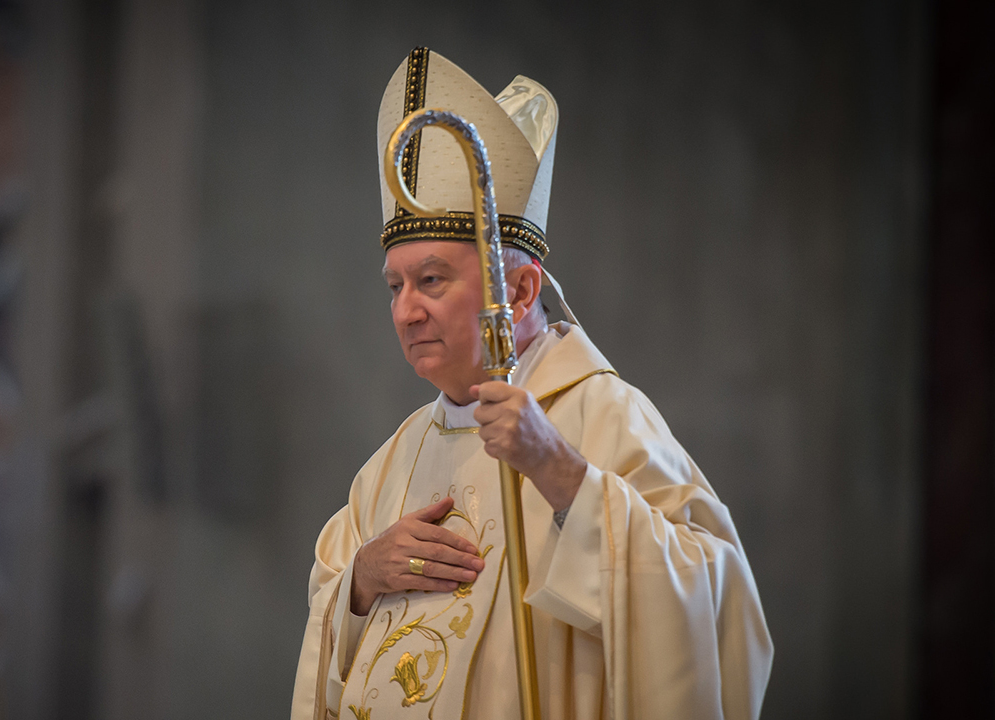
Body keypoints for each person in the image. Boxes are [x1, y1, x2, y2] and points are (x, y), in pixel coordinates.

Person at [291, 47, 773, 720]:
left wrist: (560, 472)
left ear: (519, 290)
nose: (406, 309)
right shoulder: (390, 466)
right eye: (395, 286)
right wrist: (361, 582)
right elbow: (331, 608)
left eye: (431, 280)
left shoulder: (607, 419)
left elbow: (716, 603)